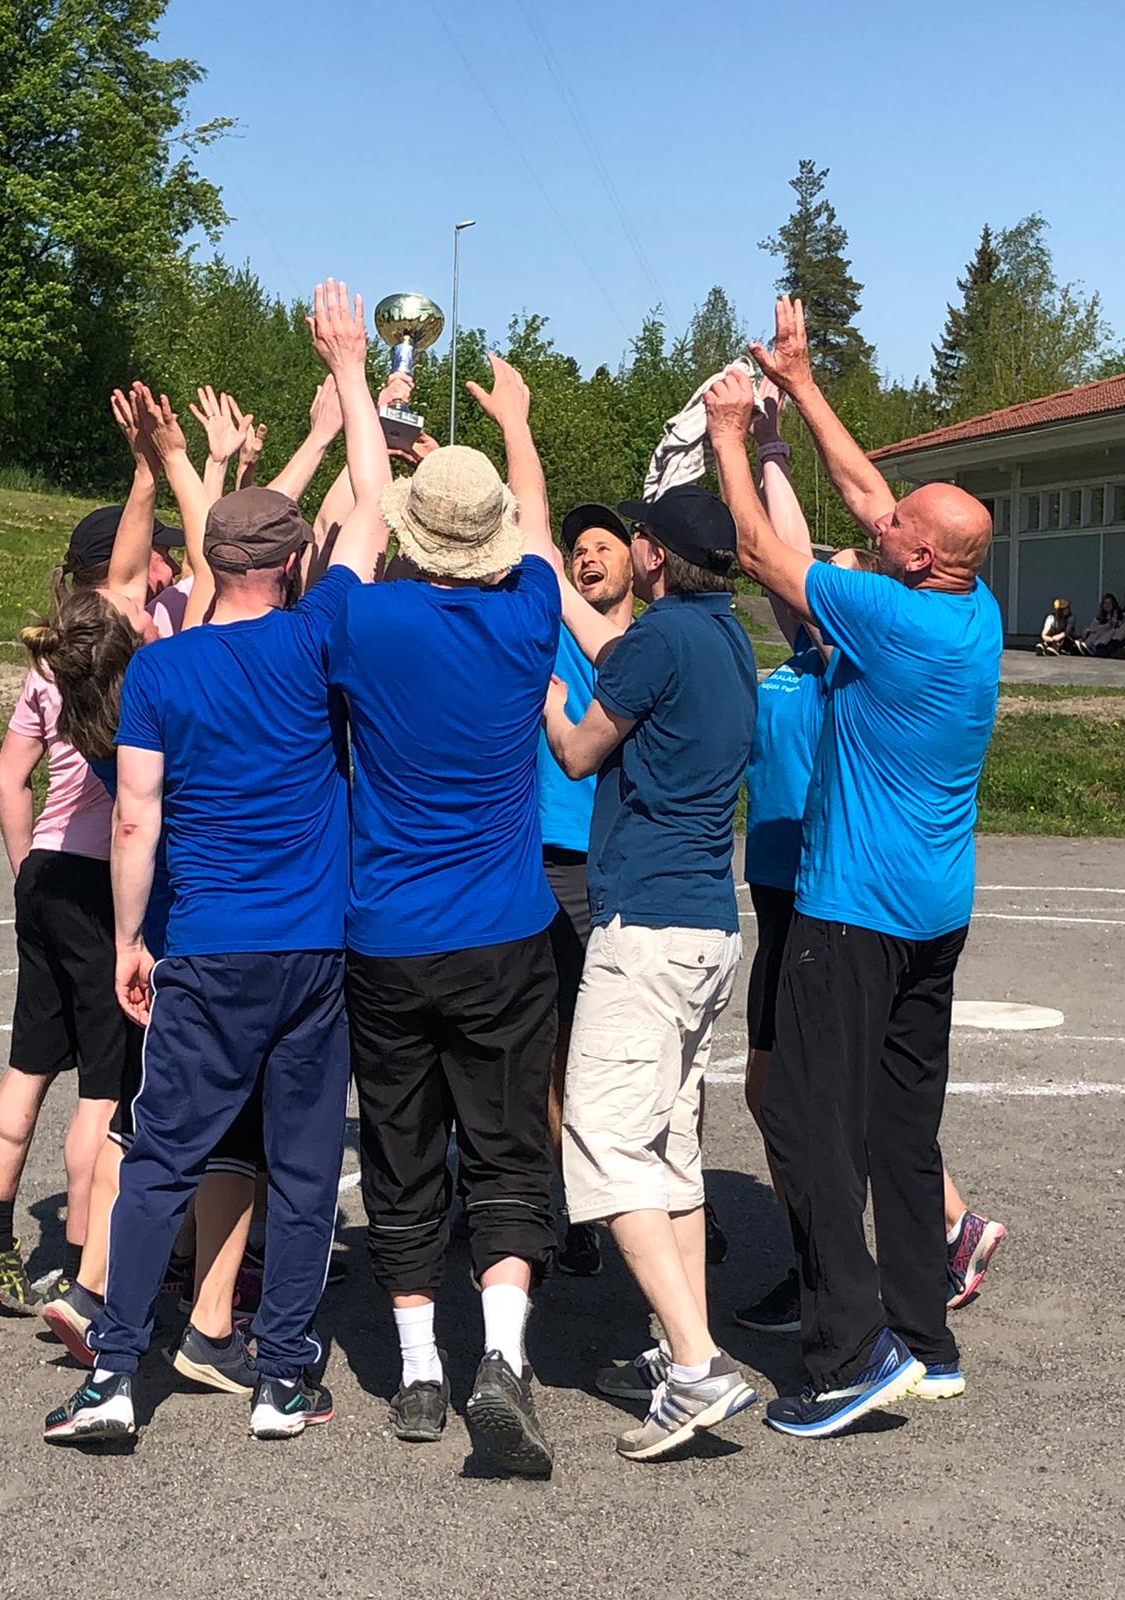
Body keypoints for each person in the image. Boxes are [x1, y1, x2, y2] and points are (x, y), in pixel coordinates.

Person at [42, 278, 389, 1446]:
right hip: (313, 948)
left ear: (211, 563)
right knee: (304, 1166)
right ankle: (282, 1375)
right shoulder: (319, 636)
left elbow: (135, 820)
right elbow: (373, 504)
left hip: (206, 946)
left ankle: (112, 1376)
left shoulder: (162, 666)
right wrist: (349, 369)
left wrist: (128, 940)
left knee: (161, 1162)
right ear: (290, 561)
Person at [706, 295, 1002, 1439]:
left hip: (856, 914)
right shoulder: (970, 604)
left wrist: (733, 436)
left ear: (919, 557)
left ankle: (847, 1353)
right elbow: (877, 498)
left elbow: (759, 552)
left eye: (896, 527)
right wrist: (803, 380)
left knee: (805, 1122)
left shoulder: (891, 617)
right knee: (900, 1130)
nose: (877, 523)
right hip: (934, 913)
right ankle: (928, 1343)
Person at [332, 355, 561, 1477]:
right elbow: (544, 537)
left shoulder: (365, 620)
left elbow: (349, 536)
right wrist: (517, 425)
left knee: (400, 1145)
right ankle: (503, 1356)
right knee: (510, 1147)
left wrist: (356, 390)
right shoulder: (530, 619)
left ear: (411, 533)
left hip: (385, 932)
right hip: (504, 929)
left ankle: (419, 1367)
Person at [544, 482, 758, 1464]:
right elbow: (614, 651)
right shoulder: (724, 638)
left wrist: (549, 705)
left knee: (600, 1137)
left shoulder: (658, 638)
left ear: (657, 556)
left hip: (645, 927)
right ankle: (684, 1347)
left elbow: (580, 752)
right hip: (708, 924)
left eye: (636, 537)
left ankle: (699, 1363)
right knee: (672, 1147)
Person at [0, 462, 176, 1313]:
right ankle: (84, 1271)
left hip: (42, 871)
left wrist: (23, 871)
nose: (163, 566)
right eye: (152, 555)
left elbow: (10, 776)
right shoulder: (127, 651)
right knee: (105, 1087)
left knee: (29, 1061)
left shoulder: (51, 659)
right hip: (97, 879)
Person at [543, 504, 635, 1279]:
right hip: (544, 860)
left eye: (604, 545)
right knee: (550, 1041)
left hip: (621, 865)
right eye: (577, 549)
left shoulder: (650, 646)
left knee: (628, 1045)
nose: (587, 556)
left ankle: (674, 1197)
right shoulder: (552, 632)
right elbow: (533, 551)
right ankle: (568, 1202)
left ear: (641, 560)